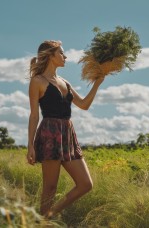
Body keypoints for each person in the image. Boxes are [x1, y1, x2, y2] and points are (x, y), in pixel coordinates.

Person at [27, 40, 104, 218]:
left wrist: (97, 84)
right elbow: (34, 116)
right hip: (50, 134)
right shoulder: (37, 81)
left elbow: (84, 104)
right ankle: (43, 222)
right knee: (50, 187)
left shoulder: (65, 82)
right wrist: (30, 145)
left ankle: (48, 215)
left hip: (67, 135)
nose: (65, 56)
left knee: (85, 184)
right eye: (61, 53)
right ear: (50, 56)